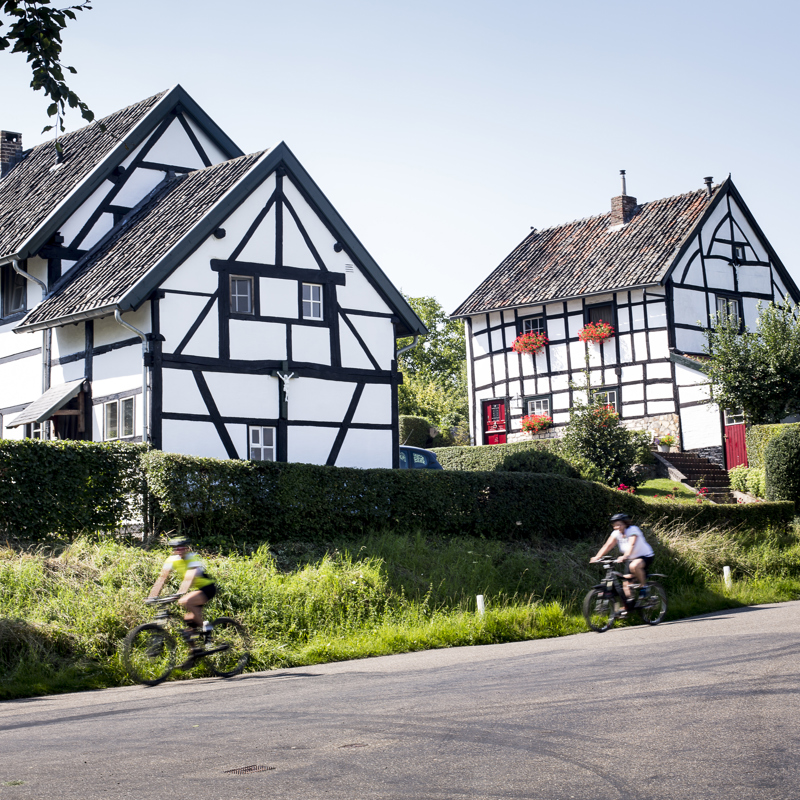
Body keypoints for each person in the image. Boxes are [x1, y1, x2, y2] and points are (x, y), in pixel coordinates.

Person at [148, 537, 217, 652]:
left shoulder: (192, 558)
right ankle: (195, 652)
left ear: (186, 548)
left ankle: (207, 628)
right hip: (197, 591)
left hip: (207, 588)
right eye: (177, 548)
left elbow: (189, 577)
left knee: (185, 601)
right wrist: (152, 596)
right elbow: (161, 579)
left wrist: (180, 593)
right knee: (188, 623)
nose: (179, 550)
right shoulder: (171, 560)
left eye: (182, 547)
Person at [590, 513, 655, 608]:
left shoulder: (633, 530)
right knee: (626, 584)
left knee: (634, 566)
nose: (617, 527)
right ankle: (629, 606)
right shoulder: (616, 534)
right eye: (615, 525)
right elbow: (607, 546)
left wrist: (625, 556)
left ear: (625, 524)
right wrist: (597, 557)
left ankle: (643, 586)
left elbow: (632, 544)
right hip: (631, 559)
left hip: (645, 556)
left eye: (619, 524)